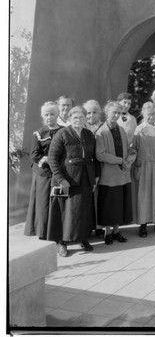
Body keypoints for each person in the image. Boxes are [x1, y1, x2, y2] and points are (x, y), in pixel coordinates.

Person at [47, 106, 98, 256]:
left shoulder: (89, 134)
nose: (79, 120)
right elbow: (52, 158)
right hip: (66, 178)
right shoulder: (62, 133)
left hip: (85, 177)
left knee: (83, 210)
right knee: (64, 212)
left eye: (81, 117)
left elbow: (93, 158)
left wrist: (95, 176)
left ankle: (82, 238)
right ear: (70, 118)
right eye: (75, 117)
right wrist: (61, 179)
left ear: (85, 119)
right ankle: (61, 243)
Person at [95, 101, 135, 244]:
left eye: (119, 113)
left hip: (122, 174)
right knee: (109, 205)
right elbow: (100, 155)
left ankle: (116, 231)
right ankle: (107, 233)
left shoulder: (121, 130)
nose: (117, 115)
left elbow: (127, 148)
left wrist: (131, 156)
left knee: (119, 204)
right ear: (107, 113)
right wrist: (118, 160)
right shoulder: (101, 132)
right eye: (114, 112)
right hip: (109, 175)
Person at [24, 101, 64, 239]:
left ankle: (57, 231)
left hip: (59, 172)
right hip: (43, 173)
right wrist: (49, 160)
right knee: (43, 202)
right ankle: (42, 231)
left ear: (57, 114)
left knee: (57, 201)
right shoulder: (39, 133)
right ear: (42, 116)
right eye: (46, 114)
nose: (49, 117)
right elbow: (34, 155)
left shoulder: (64, 131)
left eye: (52, 114)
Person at [131, 102, 155, 237]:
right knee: (144, 196)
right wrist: (135, 162)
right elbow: (133, 148)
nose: (151, 117)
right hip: (144, 168)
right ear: (144, 114)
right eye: (149, 115)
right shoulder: (139, 130)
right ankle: (143, 225)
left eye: (154, 114)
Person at [83, 99, 105, 237]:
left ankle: (99, 226)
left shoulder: (104, 126)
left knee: (99, 196)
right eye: (88, 113)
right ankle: (86, 226)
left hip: (102, 165)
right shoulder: (81, 127)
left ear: (100, 113)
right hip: (87, 167)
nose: (91, 115)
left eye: (94, 112)